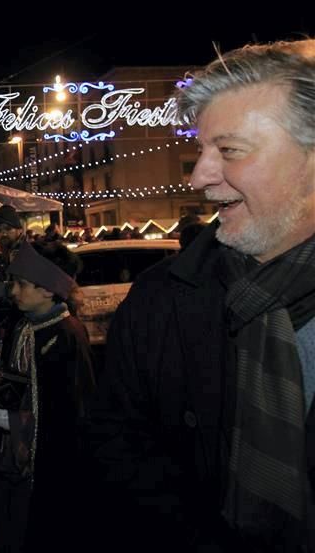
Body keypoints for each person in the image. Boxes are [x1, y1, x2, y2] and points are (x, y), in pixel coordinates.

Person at [87, 39, 315, 552]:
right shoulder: (160, 299)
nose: (198, 177)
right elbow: (115, 450)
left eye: (229, 150)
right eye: (200, 150)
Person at [0, 242, 95, 553]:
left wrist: (16, 423)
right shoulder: (26, 327)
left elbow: (69, 417)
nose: (14, 291)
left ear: (48, 290)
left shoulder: (66, 336)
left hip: (49, 474)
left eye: (22, 284)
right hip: (16, 465)